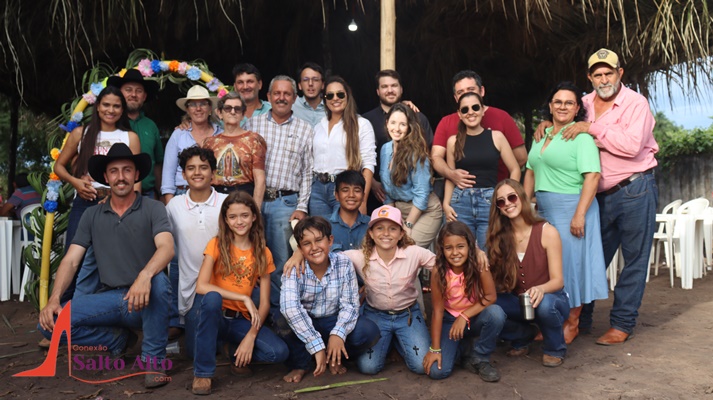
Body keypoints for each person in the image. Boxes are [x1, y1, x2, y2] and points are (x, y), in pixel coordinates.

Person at [536, 48, 658, 345]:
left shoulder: (635, 103)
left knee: (634, 260)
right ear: (589, 77)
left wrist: (592, 129)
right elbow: (562, 122)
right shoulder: (584, 103)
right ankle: (579, 320)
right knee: (588, 259)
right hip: (595, 196)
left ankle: (622, 324)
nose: (604, 78)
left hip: (634, 188)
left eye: (609, 72)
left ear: (620, 74)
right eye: (597, 74)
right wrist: (545, 125)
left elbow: (631, 146)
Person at [39, 143, 174, 388]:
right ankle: (115, 340)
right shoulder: (92, 215)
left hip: (145, 300)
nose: (120, 177)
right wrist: (54, 299)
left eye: (126, 170)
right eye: (114, 171)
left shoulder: (154, 208)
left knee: (159, 281)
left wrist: (144, 275)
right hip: (110, 299)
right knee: (48, 325)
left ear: (136, 175)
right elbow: (71, 260)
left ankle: (154, 359)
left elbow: (167, 247)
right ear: (105, 177)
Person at [524, 82, 608, 344]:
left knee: (571, 267)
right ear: (550, 106)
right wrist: (526, 206)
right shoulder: (542, 135)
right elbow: (530, 171)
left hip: (573, 208)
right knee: (547, 269)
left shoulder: (581, 138)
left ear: (576, 110)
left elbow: (593, 177)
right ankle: (553, 320)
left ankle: (571, 323)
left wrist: (579, 214)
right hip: (545, 210)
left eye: (569, 103)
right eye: (557, 101)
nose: (562, 106)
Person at [191, 191, 288, 395]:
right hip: (212, 316)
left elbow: (264, 305)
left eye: (244, 215)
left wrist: (250, 337)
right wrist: (243, 297)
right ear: (226, 220)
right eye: (233, 217)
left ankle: (231, 351)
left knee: (278, 353)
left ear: (254, 217)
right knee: (212, 298)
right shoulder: (216, 244)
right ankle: (203, 374)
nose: (239, 221)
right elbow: (201, 286)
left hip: (239, 320)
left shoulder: (263, 252)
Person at [53, 86, 141, 301]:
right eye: (106, 105)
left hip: (118, 207)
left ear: (122, 110)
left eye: (116, 106)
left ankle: (104, 312)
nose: (111, 110)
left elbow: (136, 180)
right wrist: (75, 183)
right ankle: (63, 313)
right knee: (74, 257)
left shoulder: (129, 136)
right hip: (85, 203)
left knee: (112, 259)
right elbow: (59, 167)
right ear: (97, 107)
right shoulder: (80, 133)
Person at [278, 216, 380, 383]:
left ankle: (335, 356)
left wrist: (338, 334)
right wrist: (316, 346)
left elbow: (350, 305)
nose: (314, 247)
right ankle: (300, 364)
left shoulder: (343, 263)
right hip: (307, 321)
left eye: (319, 240)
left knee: (368, 331)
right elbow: (290, 308)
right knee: (282, 319)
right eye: (307, 243)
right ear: (300, 249)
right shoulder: (293, 267)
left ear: (330, 241)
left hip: (332, 320)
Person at [245, 75, 314, 309]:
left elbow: (307, 173)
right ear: (269, 97)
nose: (281, 98)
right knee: (248, 257)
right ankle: (250, 311)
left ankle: (282, 314)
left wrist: (302, 207)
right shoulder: (253, 125)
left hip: (284, 204)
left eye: (287, 94)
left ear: (294, 98)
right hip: (252, 203)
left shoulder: (305, 130)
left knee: (281, 262)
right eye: (277, 93)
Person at [346, 206, 435, 376]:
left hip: (407, 314)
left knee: (421, 366)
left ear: (401, 233)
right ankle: (391, 341)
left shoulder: (414, 253)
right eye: (379, 228)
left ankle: (399, 340)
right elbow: (329, 256)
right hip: (376, 315)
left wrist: (476, 251)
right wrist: (298, 254)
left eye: (392, 228)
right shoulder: (359, 256)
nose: (386, 233)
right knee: (368, 367)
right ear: (371, 233)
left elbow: (444, 265)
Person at [487, 179, 568, 367]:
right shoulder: (498, 238)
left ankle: (555, 348)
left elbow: (558, 281)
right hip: (519, 302)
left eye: (511, 197)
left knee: (546, 305)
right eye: (501, 201)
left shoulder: (547, 231)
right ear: (498, 208)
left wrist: (540, 288)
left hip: (551, 298)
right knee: (485, 304)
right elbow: (495, 284)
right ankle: (522, 336)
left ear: (521, 198)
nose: (507, 203)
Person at [165, 146, 227, 359]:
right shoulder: (174, 205)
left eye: (203, 167)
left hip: (226, 286)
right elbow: (166, 246)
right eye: (191, 168)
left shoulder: (226, 203)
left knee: (219, 342)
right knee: (194, 352)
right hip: (193, 293)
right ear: (183, 174)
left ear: (213, 172)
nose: (197, 172)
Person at [423, 221, 505, 382]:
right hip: (450, 320)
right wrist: (435, 349)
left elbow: (490, 297)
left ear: (469, 247)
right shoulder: (438, 271)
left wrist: (464, 316)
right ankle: (463, 348)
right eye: (448, 248)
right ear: (442, 249)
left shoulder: (479, 264)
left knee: (496, 314)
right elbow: (438, 311)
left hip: (474, 318)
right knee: (437, 372)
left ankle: (480, 357)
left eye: (460, 246)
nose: (455, 252)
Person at [443, 92, 521, 249]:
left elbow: (515, 169)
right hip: (460, 202)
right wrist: (446, 203)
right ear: (459, 114)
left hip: (490, 202)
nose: (470, 112)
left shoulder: (496, 137)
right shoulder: (453, 141)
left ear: (483, 110)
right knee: (462, 253)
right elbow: (451, 176)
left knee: (491, 252)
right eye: (465, 109)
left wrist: (508, 196)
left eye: (475, 107)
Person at [431, 70, 526, 194]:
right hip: (460, 195)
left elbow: (521, 158)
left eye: (471, 89)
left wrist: (505, 188)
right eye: (460, 92)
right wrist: (451, 174)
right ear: (455, 98)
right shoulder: (446, 122)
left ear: (482, 91)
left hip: (495, 193)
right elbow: (435, 157)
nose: (466, 94)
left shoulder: (502, 117)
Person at [363, 70, 433, 212]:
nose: (390, 90)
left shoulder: (418, 118)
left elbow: (428, 154)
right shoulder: (366, 121)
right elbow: (359, 156)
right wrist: (373, 183)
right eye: (384, 87)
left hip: (413, 198)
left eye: (394, 85)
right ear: (377, 91)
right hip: (377, 194)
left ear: (401, 89)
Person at [310, 76, 376, 218]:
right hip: (317, 190)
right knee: (320, 236)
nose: (335, 98)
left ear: (347, 95)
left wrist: (363, 200)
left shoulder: (362, 124)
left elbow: (368, 164)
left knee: (344, 236)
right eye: (330, 95)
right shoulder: (318, 126)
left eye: (340, 94)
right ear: (325, 99)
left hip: (346, 188)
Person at [379, 103, 442, 248]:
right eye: (393, 122)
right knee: (390, 249)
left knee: (407, 252)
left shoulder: (417, 154)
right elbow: (387, 192)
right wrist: (393, 220)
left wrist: (407, 224)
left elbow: (422, 194)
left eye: (402, 124)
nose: (397, 128)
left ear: (409, 127)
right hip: (399, 210)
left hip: (425, 210)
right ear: (387, 123)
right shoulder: (385, 149)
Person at [107, 68, 164, 199]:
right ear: (120, 94)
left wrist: (160, 194)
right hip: (115, 195)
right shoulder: (110, 123)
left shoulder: (151, 126)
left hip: (147, 194)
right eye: (128, 90)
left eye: (138, 91)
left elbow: (158, 163)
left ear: (144, 97)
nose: (133, 94)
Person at [203, 91, 267, 207]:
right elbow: (205, 178)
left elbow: (260, 180)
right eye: (227, 108)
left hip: (244, 196)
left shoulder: (254, 140)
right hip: (215, 197)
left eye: (237, 109)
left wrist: (256, 210)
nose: (232, 112)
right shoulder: (209, 143)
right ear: (219, 113)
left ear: (243, 114)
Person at [161, 85, 222, 203]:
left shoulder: (220, 134)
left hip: (214, 194)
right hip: (182, 193)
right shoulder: (178, 134)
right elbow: (168, 173)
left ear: (210, 108)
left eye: (203, 104)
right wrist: (170, 204)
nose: (198, 108)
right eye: (193, 105)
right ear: (188, 110)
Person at [330, 170, 371, 252]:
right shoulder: (324, 225)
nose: (351, 195)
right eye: (345, 190)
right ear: (337, 195)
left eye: (357, 190)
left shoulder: (371, 225)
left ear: (363, 196)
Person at [292, 62, 326, 127]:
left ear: (322, 85)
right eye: (305, 80)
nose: (310, 83)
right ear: (299, 85)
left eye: (315, 80)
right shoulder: (291, 106)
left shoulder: (330, 107)